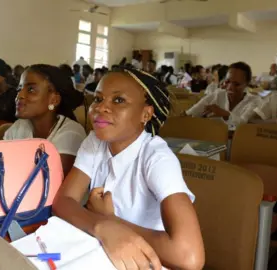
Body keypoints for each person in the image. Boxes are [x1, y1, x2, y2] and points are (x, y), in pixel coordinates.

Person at [52, 68, 205, 270]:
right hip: (103, 255)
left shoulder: (157, 158)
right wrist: (102, 226)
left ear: (146, 114)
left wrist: (112, 221)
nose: (101, 108)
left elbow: (189, 257)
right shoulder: (95, 141)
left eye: (118, 100)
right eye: (98, 99)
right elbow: (63, 201)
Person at [4, 64, 86, 176]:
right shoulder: (19, 127)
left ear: (54, 100)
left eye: (31, 89)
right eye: (19, 88)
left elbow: (46, 180)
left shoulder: (71, 133)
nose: (19, 95)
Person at [183, 62, 260, 125]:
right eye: (228, 81)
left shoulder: (254, 101)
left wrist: (224, 114)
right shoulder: (217, 95)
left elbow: (243, 123)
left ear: (246, 84)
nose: (230, 87)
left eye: (237, 84)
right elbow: (190, 114)